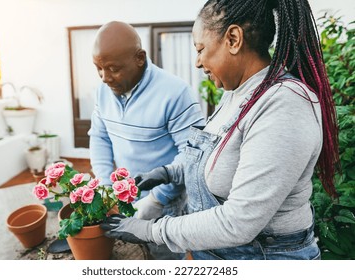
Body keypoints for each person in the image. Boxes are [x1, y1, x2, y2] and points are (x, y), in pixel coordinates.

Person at [100, 0, 340, 260]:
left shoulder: (284, 105)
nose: (197, 63)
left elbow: (239, 222)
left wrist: (151, 230)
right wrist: (169, 173)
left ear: (234, 39)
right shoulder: (237, 93)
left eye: (200, 49)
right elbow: (219, 161)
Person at [88, 21, 205, 259]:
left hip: (165, 205)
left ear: (140, 58)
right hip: (124, 199)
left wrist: (157, 199)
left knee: (163, 261)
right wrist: (105, 185)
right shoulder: (102, 92)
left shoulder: (176, 93)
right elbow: (100, 136)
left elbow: (194, 155)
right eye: (98, 68)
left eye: (113, 68)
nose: (104, 77)